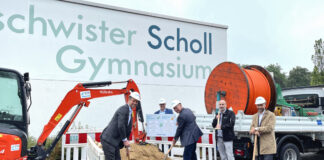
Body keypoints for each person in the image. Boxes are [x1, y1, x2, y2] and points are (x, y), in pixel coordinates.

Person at [100, 92, 141, 160]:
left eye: (136, 102)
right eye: (134, 101)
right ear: (129, 99)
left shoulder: (130, 112)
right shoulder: (123, 110)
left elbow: (126, 130)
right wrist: (125, 140)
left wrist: (127, 148)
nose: (135, 103)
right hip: (109, 140)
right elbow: (121, 126)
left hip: (115, 142)